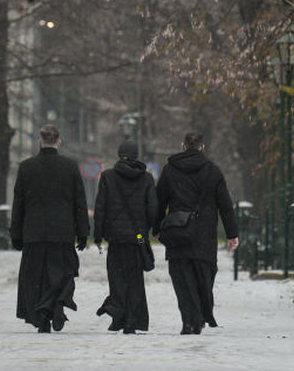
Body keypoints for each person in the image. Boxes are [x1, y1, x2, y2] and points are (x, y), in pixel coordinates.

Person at [155, 132, 239, 335]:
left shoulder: (169, 170)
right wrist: (232, 234)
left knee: (182, 280)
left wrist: (157, 228)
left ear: (183, 146)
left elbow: (159, 201)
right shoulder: (213, 172)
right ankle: (200, 315)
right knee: (204, 277)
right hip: (204, 235)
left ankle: (189, 320)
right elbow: (225, 206)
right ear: (202, 147)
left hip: (178, 233)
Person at [9, 123, 89, 333]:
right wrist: (83, 231)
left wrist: (15, 233)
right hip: (62, 232)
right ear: (58, 142)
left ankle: (41, 314)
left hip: (34, 232)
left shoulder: (27, 167)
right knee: (62, 273)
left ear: (39, 141)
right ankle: (57, 305)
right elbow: (79, 202)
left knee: (36, 276)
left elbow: (19, 204)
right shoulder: (70, 166)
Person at [92, 140, 158, 334]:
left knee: (117, 277)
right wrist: (147, 229)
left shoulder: (107, 177)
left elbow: (100, 208)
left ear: (119, 154)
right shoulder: (146, 178)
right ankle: (133, 319)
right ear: (136, 155)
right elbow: (153, 207)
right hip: (137, 236)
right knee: (135, 278)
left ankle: (118, 313)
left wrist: (98, 234)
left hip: (115, 237)